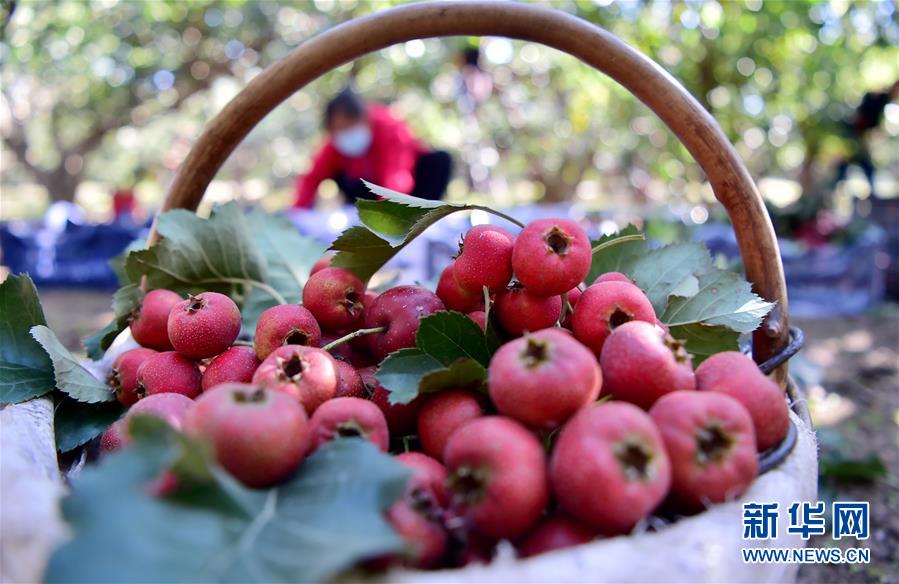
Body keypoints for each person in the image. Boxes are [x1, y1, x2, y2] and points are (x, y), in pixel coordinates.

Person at [294, 89, 452, 208]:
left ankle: (425, 216)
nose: (344, 134)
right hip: (370, 195)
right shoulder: (335, 144)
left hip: (410, 191)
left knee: (440, 160)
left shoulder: (389, 127)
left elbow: (397, 176)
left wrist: (385, 214)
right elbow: (311, 178)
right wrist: (295, 214)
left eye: (348, 127)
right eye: (338, 130)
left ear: (363, 118)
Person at [833, 80, 899, 197]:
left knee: (852, 163)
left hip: (859, 133)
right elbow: (866, 107)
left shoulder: (885, 99)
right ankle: (835, 189)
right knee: (860, 163)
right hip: (855, 132)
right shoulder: (881, 96)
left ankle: (834, 188)